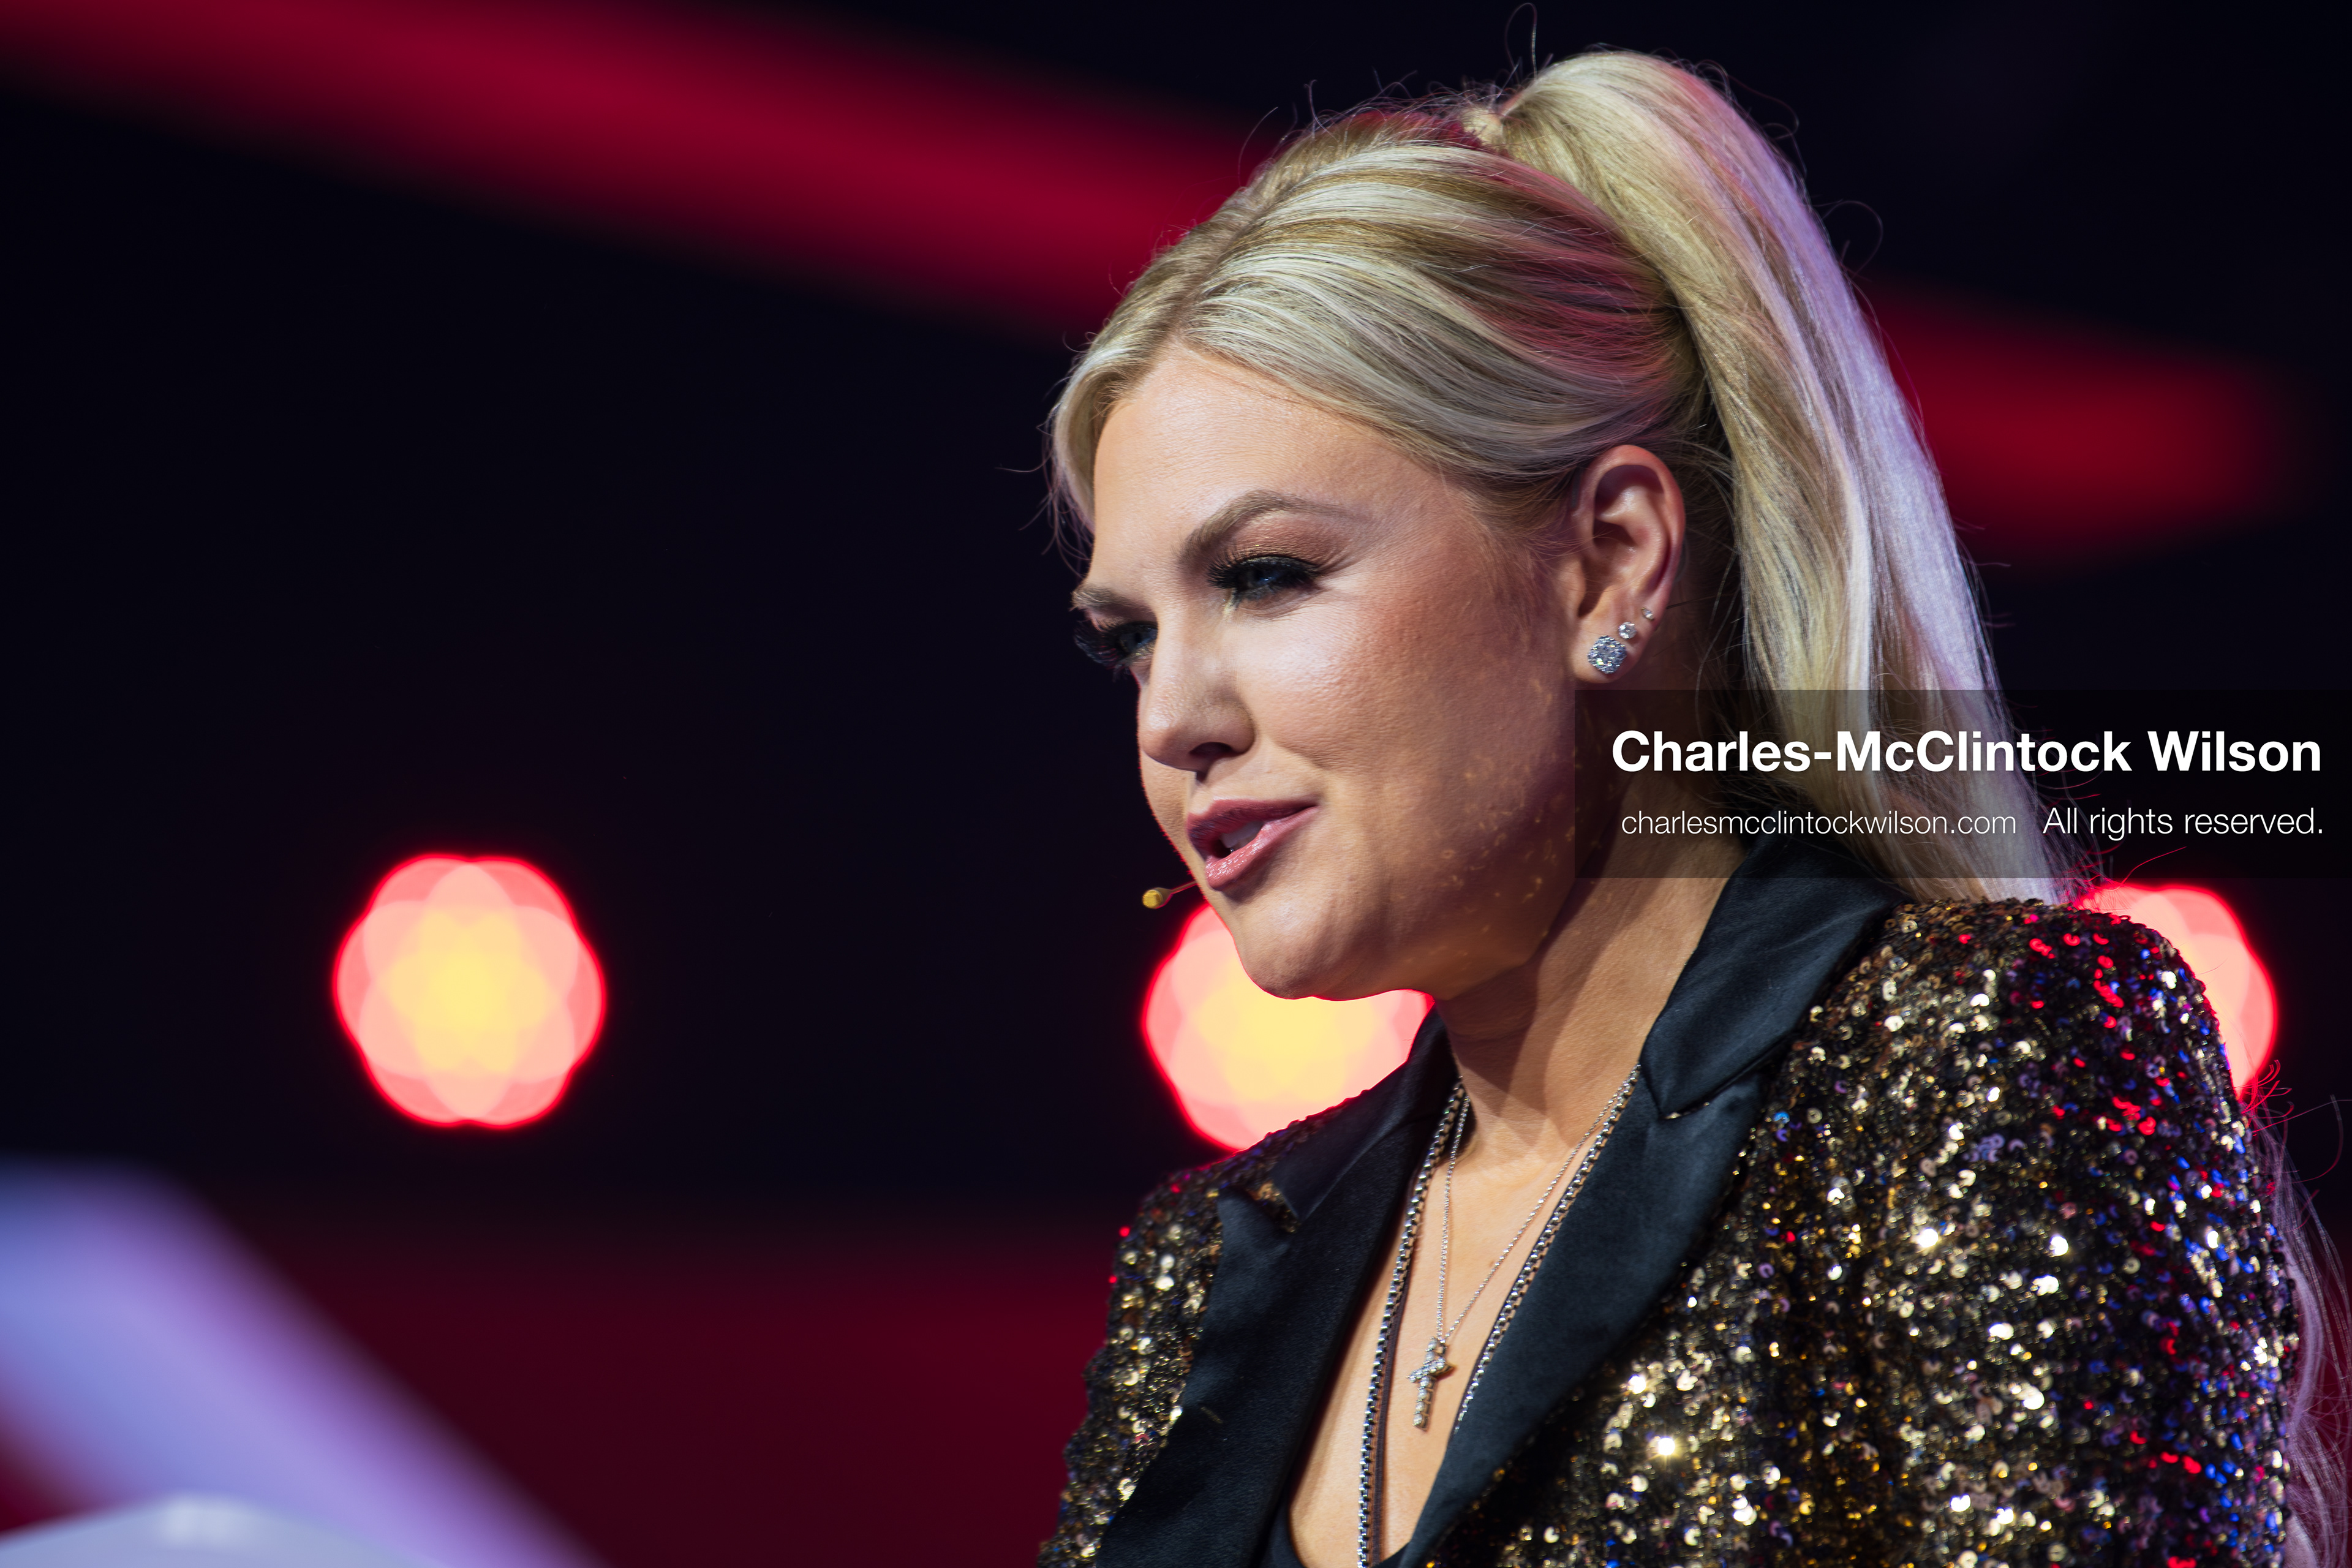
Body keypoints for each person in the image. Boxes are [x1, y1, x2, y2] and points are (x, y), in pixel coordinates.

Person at [1036, 50, 2335, 1568]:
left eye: (1265, 577)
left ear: (1613, 560)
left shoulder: (1972, 1064)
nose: (1171, 716)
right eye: (1130, 636)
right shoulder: (1210, 1262)